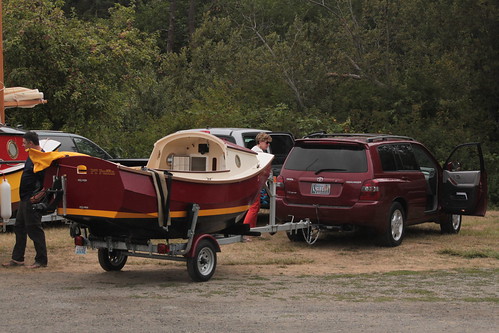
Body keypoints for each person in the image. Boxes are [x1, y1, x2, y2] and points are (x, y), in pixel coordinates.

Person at [2, 131, 48, 269]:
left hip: (32, 198)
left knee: (34, 228)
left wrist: (39, 195)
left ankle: (41, 260)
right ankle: (17, 259)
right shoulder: (31, 155)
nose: (22, 145)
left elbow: (45, 179)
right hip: (24, 198)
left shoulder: (40, 157)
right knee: (19, 227)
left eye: (24, 143)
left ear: (31, 143)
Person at [243, 133, 272, 240]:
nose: (268, 145)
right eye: (266, 142)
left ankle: (252, 230)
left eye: (269, 143)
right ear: (260, 142)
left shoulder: (254, 151)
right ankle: (245, 232)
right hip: (254, 182)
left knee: (256, 206)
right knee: (254, 207)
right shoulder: (258, 153)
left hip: (255, 182)